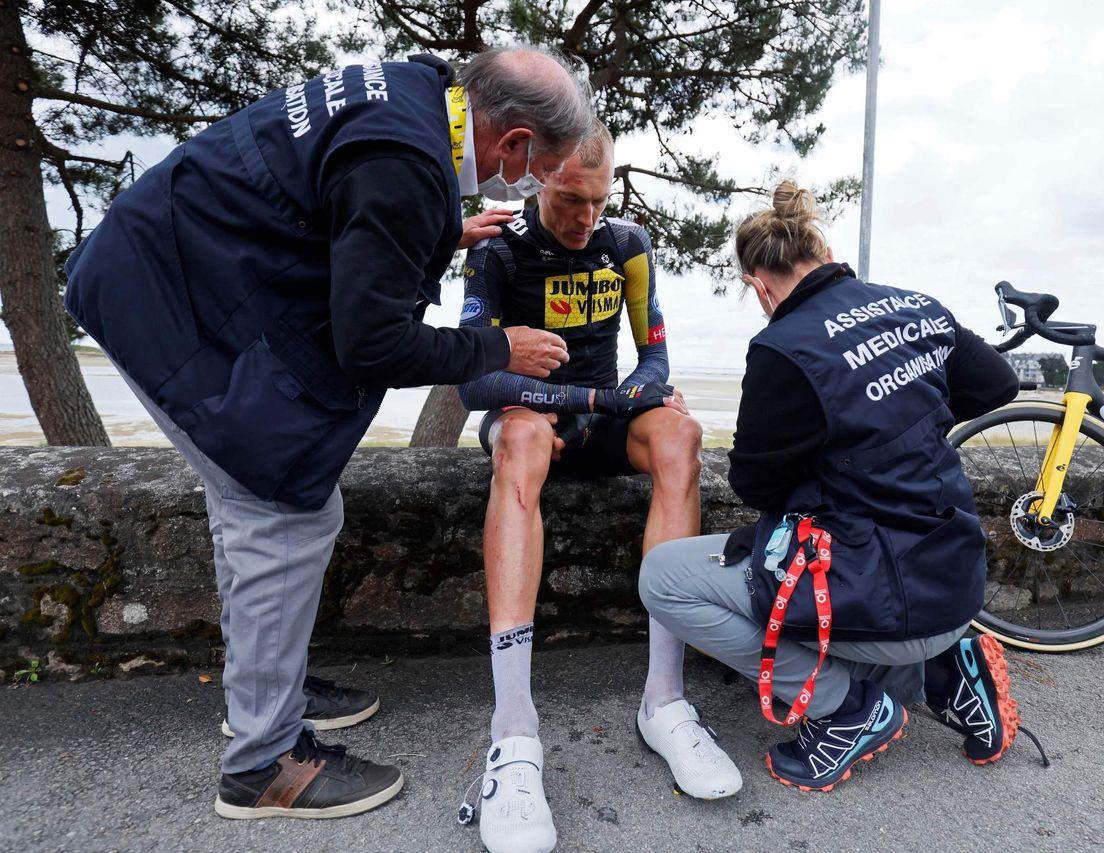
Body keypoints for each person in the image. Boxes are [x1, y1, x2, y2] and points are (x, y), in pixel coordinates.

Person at [63, 45, 594, 820]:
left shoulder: (418, 93)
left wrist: (446, 228)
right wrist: (498, 345)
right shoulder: (410, 165)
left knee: (261, 504)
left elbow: (343, 206)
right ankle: (263, 761)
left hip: (169, 264)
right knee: (281, 511)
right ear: (512, 139)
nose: (533, 183)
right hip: (166, 300)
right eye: (539, 166)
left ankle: (267, 688)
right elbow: (371, 343)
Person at [639, 180, 1027, 793]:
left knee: (664, 578)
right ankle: (947, 672)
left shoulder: (783, 347)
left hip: (880, 600)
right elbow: (998, 384)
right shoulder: (913, 305)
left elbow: (755, 484)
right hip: (956, 590)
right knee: (855, 582)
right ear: (819, 252)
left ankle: (847, 712)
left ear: (757, 284)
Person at [455, 121, 741, 853]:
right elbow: (476, 381)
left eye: (598, 199)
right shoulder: (497, 248)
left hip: (600, 417)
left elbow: (654, 361)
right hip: (535, 422)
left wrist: (625, 399)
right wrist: (588, 400)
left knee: (679, 434)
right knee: (518, 435)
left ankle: (664, 699)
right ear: (541, 175)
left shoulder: (628, 244)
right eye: (571, 199)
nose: (586, 218)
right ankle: (513, 730)